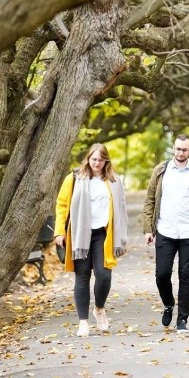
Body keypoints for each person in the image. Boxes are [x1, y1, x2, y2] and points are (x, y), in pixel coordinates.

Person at [54, 143, 128, 338]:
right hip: (80, 233)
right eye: (93, 159)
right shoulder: (75, 178)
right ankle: (83, 322)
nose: (97, 163)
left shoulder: (114, 181)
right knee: (82, 276)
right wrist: (60, 231)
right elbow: (62, 206)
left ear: (106, 161)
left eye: (100, 159)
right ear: (88, 159)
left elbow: (121, 210)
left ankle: (99, 308)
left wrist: (121, 239)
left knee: (104, 275)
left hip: (103, 234)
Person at [143, 134, 189, 333]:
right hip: (165, 230)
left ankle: (182, 319)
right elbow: (149, 201)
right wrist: (148, 229)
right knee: (161, 275)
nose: (181, 153)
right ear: (173, 149)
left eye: (185, 149)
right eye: (178, 149)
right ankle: (168, 303)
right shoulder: (161, 171)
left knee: (186, 276)